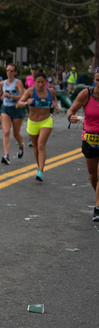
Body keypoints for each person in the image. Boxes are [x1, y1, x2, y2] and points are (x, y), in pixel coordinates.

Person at [67, 69, 99, 220]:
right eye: (98, 79)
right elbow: (71, 110)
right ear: (94, 79)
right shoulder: (86, 94)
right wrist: (71, 117)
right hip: (90, 139)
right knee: (93, 176)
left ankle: (98, 208)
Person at [18, 72, 60, 182]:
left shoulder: (50, 91)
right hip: (32, 122)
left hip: (46, 121)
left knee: (41, 145)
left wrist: (55, 106)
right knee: (36, 147)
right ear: (35, 82)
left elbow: (55, 99)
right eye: (38, 82)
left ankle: (41, 171)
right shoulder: (30, 91)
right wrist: (27, 102)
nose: (40, 85)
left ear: (46, 82)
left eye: (42, 82)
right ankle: (38, 165)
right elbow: (19, 103)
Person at [0, 64, 25, 165]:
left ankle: (21, 146)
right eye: (7, 70)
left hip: (17, 109)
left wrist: (10, 95)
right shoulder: (3, 82)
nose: (9, 72)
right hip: (6, 108)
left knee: (16, 134)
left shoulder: (18, 83)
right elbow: (0, 91)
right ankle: (6, 156)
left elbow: (23, 97)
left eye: (11, 70)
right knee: (6, 132)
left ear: (15, 72)